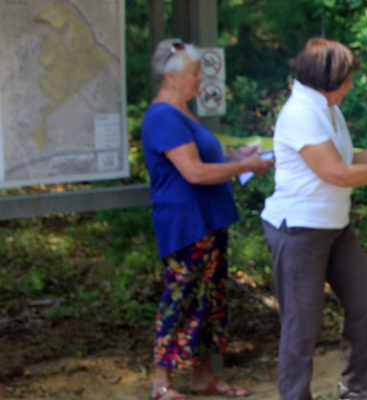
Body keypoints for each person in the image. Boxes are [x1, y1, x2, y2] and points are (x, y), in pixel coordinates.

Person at [261, 38, 367, 400]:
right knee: (302, 323)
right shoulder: (302, 112)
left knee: (365, 298)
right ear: (326, 78)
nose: (350, 86)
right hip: (299, 230)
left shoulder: (326, 107)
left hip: (334, 226)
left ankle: (360, 388)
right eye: (346, 79)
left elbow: (349, 160)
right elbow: (336, 174)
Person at [143, 38, 274, 400]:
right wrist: (245, 166)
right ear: (171, 77)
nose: (201, 79)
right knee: (182, 298)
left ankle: (203, 378)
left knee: (210, 300)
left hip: (208, 221)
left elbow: (207, 157)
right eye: (194, 73)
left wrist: (238, 154)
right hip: (187, 225)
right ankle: (161, 383)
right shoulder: (162, 116)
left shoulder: (183, 112)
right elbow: (195, 172)